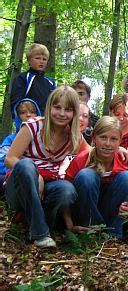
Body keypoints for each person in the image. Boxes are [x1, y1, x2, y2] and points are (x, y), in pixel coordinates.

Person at [4, 86, 83, 248]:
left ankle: (32, 220)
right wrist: (36, 175)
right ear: (49, 108)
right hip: (20, 184)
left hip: (48, 186)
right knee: (26, 165)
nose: (62, 114)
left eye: (67, 109)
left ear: (74, 112)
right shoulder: (33, 126)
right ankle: (40, 233)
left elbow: (93, 152)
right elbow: (10, 159)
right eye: (57, 107)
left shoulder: (73, 135)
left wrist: (121, 149)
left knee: (67, 189)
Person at [66, 116, 128, 238]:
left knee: (127, 177)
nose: (108, 144)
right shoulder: (82, 159)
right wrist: (69, 225)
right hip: (84, 212)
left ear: (120, 141)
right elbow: (67, 198)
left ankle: (114, 234)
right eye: (103, 137)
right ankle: (90, 231)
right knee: (86, 175)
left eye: (113, 139)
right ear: (94, 138)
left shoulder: (126, 161)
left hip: (111, 211)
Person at [0, 99, 40, 189]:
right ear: (17, 116)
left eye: (32, 112)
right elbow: (2, 161)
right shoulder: (10, 139)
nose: (28, 115)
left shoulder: (43, 138)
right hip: (13, 175)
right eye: (23, 112)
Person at [10, 43, 56, 115]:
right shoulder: (22, 78)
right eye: (37, 58)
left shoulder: (50, 82)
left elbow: (55, 104)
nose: (41, 61)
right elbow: (16, 104)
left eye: (44, 59)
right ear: (29, 61)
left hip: (47, 122)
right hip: (28, 122)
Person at [71, 80, 100, 145]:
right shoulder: (66, 117)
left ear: (88, 97)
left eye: (81, 94)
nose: (77, 97)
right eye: (73, 94)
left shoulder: (97, 121)